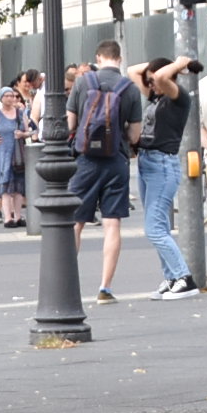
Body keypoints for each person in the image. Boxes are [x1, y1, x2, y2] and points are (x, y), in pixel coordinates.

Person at [67, 40, 139, 304]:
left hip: (85, 160)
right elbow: (135, 134)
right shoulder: (129, 88)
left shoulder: (82, 83)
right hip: (116, 160)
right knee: (112, 223)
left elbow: (71, 124)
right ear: (119, 58)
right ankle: (105, 288)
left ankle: (66, 282)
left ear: (98, 57)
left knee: (75, 222)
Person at [136, 56, 201, 299]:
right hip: (147, 162)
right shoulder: (156, 96)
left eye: (153, 80)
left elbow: (162, 77)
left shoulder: (178, 97)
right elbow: (132, 71)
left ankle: (185, 278)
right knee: (159, 226)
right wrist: (169, 66)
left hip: (162, 165)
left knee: (154, 229)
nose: (150, 85)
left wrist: (179, 64)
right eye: (149, 81)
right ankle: (172, 276)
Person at [0, 78, 29, 228]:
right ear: (1, 98)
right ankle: (7, 217)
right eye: (7, 96)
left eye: (13, 96)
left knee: (19, 186)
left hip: (18, 154)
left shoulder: (20, 114)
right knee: (5, 186)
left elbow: (29, 131)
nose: (11, 98)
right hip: (4, 154)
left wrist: (22, 134)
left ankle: (18, 216)